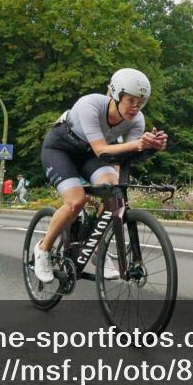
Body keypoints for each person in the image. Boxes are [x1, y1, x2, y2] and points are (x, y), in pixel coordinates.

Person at [33, 68, 167, 283]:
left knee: (113, 192)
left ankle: (97, 249)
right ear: (115, 95)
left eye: (141, 102)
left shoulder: (137, 120)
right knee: (75, 201)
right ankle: (43, 249)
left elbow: (125, 157)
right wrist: (138, 144)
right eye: (131, 100)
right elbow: (102, 150)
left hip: (90, 156)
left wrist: (151, 148)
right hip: (60, 151)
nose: (136, 107)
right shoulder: (90, 104)